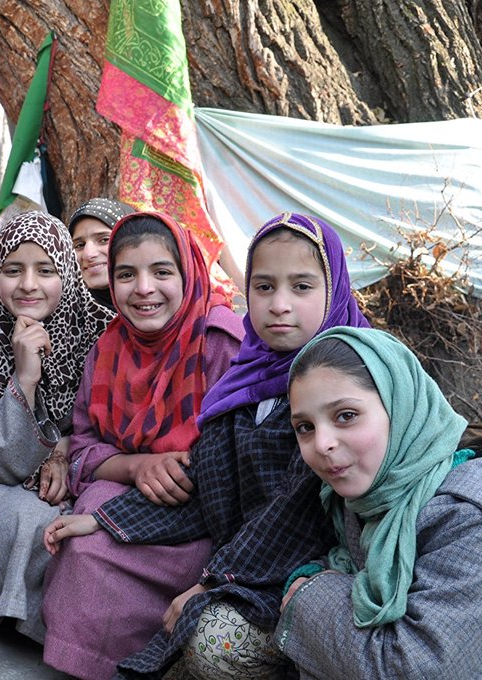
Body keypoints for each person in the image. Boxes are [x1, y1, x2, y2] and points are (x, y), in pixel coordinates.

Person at [45, 213, 370, 679]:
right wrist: (105, 520)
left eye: (301, 287)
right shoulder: (247, 380)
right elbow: (211, 482)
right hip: (247, 558)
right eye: (263, 287)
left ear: (334, 288)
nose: (280, 305)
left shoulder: (345, 382)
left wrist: (211, 583)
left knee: (209, 636)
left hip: (317, 567)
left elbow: (292, 514)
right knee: (89, 543)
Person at [279, 326, 482, 678]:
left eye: (346, 415)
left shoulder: (476, 517)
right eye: (305, 427)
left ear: (400, 405)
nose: (322, 443)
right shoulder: (372, 499)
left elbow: (407, 668)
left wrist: (310, 592)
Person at [41, 212, 244, 680]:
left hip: (199, 518)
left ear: (188, 272)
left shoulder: (220, 342)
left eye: (162, 271)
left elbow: (236, 464)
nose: (144, 289)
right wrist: (137, 467)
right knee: (82, 539)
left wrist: (168, 475)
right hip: (123, 495)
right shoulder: (109, 348)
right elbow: (84, 447)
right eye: (127, 275)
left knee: (87, 550)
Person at [0, 210, 114, 643]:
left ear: (68, 275)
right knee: (20, 516)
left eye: (45, 270)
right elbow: (2, 464)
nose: (27, 284)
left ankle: (64, 627)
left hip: (87, 471)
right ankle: (23, 618)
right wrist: (24, 377)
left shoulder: (102, 333)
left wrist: (61, 450)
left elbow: (112, 427)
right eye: (13, 270)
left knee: (83, 524)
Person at [68, 197, 135, 309]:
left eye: (104, 240)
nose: (89, 254)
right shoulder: (65, 313)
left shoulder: (159, 306)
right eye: (79, 245)